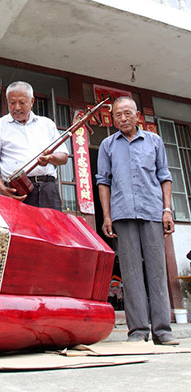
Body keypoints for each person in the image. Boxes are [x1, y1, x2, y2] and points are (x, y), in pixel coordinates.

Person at [96, 96, 178, 345]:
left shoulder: (153, 141)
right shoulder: (107, 145)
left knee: (156, 271)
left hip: (153, 211)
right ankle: (138, 330)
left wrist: (167, 210)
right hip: (122, 214)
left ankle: (163, 330)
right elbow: (103, 182)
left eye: (127, 114)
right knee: (131, 274)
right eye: (118, 115)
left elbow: (165, 176)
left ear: (137, 115)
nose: (122, 118)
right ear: (113, 118)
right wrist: (107, 216)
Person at [0, 81, 68, 209]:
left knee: (52, 228)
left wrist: (50, 158)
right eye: (12, 103)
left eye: (22, 102)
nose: (17, 107)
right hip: (19, 191)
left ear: (32, 101)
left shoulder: (47, 124)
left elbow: (63, 157)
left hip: (48, 189)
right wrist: (3, 189)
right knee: (21, 229)